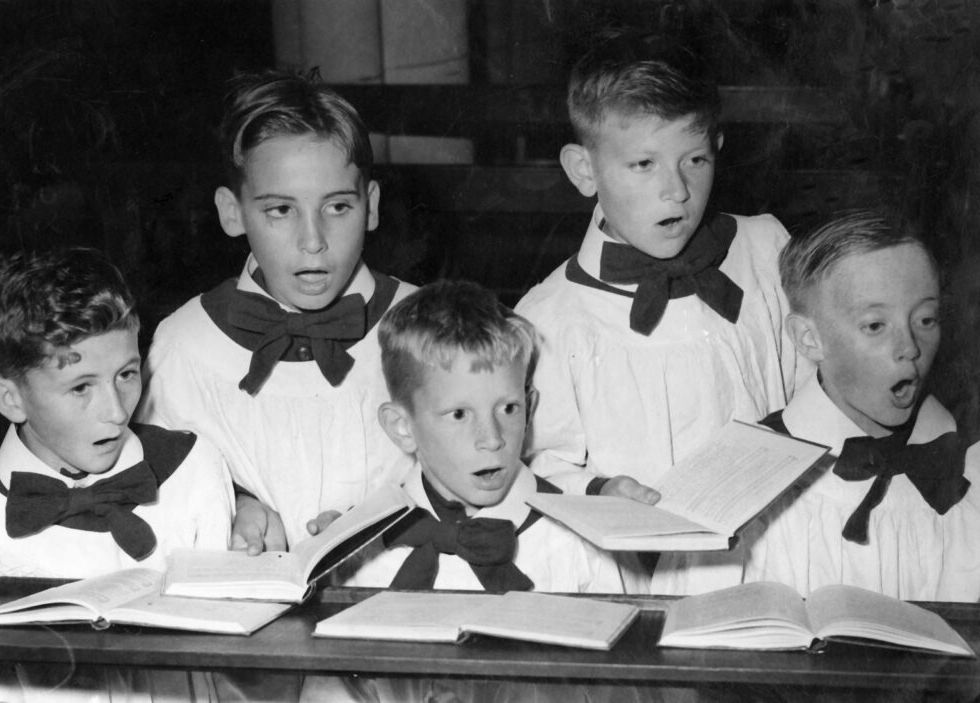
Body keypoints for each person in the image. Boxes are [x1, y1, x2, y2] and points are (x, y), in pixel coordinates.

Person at [302, 279, 648, 703]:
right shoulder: (360, 547)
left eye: (508, 408)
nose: (492, 438)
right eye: (460, 414)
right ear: (402, 427)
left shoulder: (581, 542)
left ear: (531, 407)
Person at [515, 32, 809, 500]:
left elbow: (815, 388)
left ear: (718, 146)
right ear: (583, 171)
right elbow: (540, 461)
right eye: (643, 164)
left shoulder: (766, 251)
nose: (677, 190)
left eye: (695, 159)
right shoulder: (549, 319)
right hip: (640, 563)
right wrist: (599, 490)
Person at [138, 69, 416, 553]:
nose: (313, 242)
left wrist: (391, 528)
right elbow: (156, 490)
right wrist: (233, 506)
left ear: (370, 206)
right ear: (233, 212)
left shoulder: (427, 327)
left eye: (337, 207)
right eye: (280, 211)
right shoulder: (186, 345)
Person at [652, 210, 980, 602]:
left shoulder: (970, 472)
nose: (909, 348)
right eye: (875, 325)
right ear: (809, 339)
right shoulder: (734, 492)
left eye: (926, 319)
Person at [0, 248, 238, 702]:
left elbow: (220, 668)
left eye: (126, 374)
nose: (115, 411)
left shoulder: (193, 468)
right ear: (11, 399)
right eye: (81, 387)